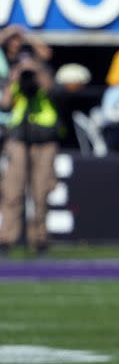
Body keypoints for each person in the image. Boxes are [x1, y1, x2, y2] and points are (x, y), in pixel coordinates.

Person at [0, 55, 60, 257]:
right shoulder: (16, 82)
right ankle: (6, 238)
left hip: (44, 140)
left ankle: (40, 239)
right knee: (12, 192)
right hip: (18, 140)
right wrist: (15, 76)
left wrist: (36, 70)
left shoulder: (43, 79)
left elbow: (51, 89)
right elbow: (6, 103)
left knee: (41, 193)